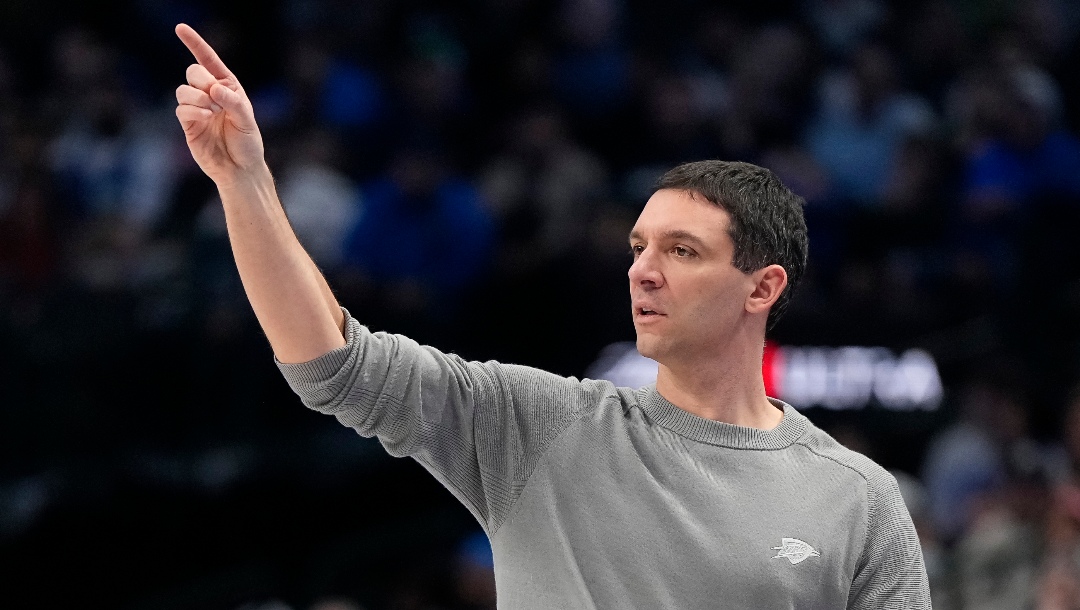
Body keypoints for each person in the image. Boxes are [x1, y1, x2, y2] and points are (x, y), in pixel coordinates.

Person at [174, 22, 930, 609]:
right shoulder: (538, 427)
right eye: (638, 246)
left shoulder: (857, 499)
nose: (642, 268)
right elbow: (332, 364)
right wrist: (245, 183)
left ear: (761, 288)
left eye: (682, 250)